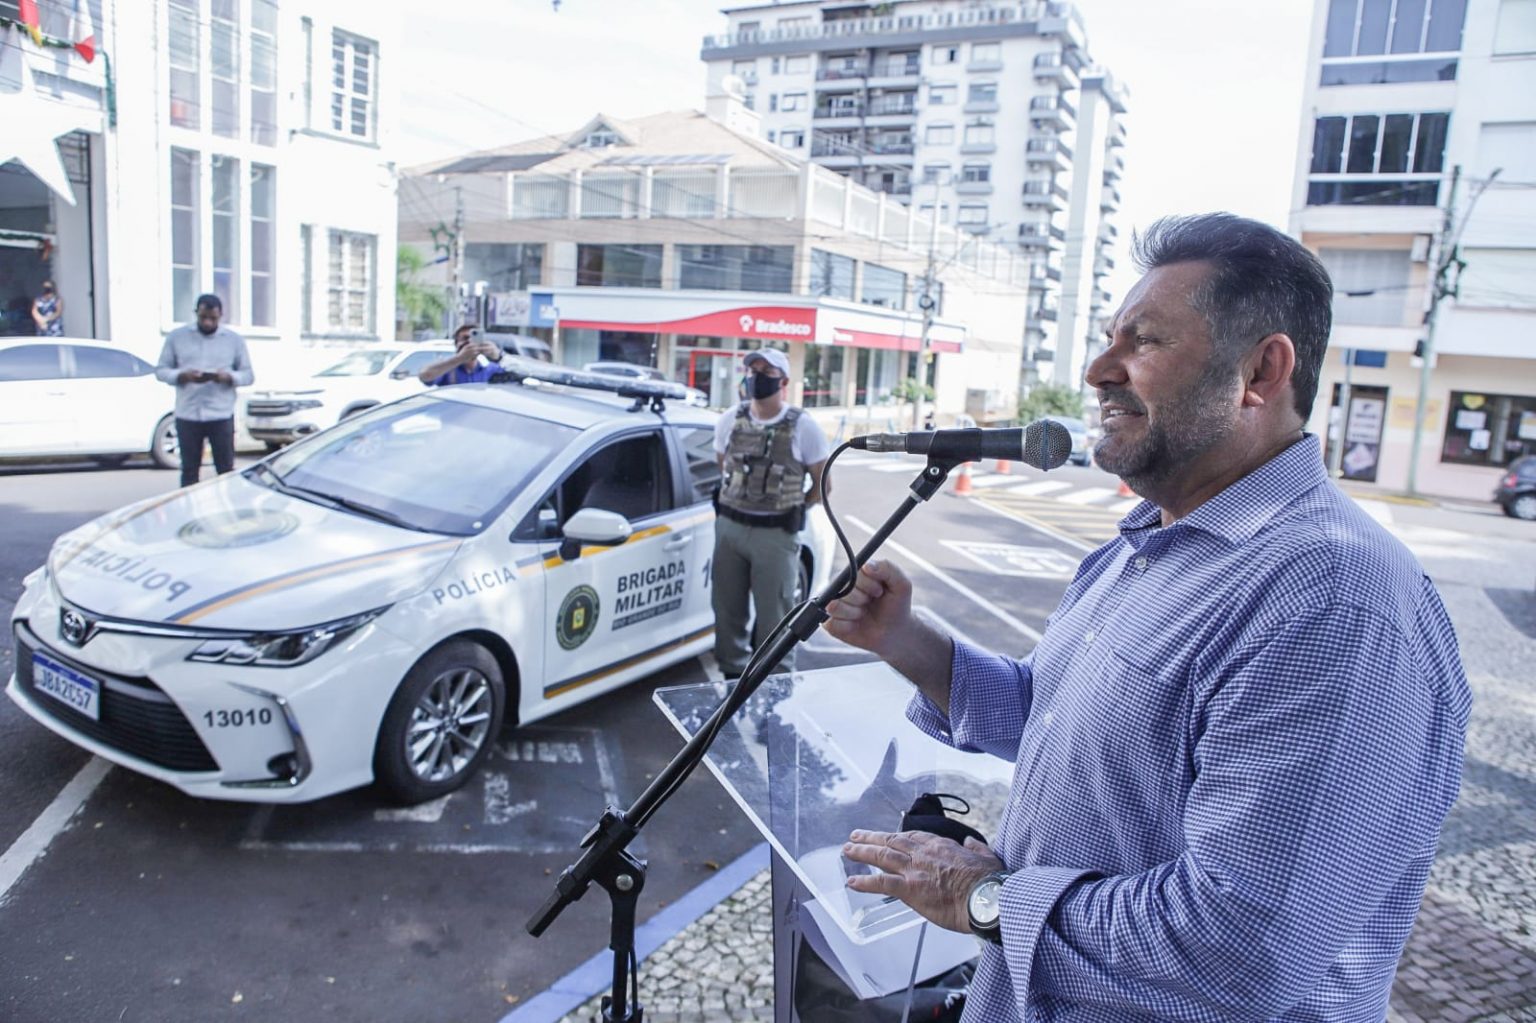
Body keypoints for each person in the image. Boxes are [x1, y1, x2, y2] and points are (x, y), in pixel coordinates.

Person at [826, 213, 1470, 1022]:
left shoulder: (1333, 601)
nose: (1098, 370)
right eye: (1108, 340)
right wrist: (904, 641)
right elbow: (1065, 724)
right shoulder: (1146, 543)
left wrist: (985, 898)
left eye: (1145, 341)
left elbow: (1238, 950)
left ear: (1261, 371)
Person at [712, 348, 830, 678]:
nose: (757, 377)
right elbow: (724, 466)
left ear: (784, 382)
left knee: (776, 617)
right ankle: (732, 681)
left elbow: (823, 484)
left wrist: (791, 508)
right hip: (730, 529)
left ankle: (774, 688)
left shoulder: (803, 426)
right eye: (752, 371)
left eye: (766, 372)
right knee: (726, 611)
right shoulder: (730, 419)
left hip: (776, 535)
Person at [155, 294, 254, 487]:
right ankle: (188, 504)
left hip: (220, 413)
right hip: (188, 413)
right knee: (189, 470)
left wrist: (229, 377)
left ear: (221, 316)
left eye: (212, 318)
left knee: (225, 470)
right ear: (196, 313)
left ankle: (226, 504)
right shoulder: (177, 337)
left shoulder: (233, 340)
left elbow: (248, 375)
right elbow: (161, 370)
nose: (207, 322)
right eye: (203, 317)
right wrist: (181, 375)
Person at [418, 324, 504, 386]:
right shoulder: (447, 369)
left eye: (474, 338)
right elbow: (424, 376)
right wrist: (460, 358)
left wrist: (498, 356)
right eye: (465, 338)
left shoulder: (490, 370)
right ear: (456, 344)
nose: (470, 342)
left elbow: (512, 376)